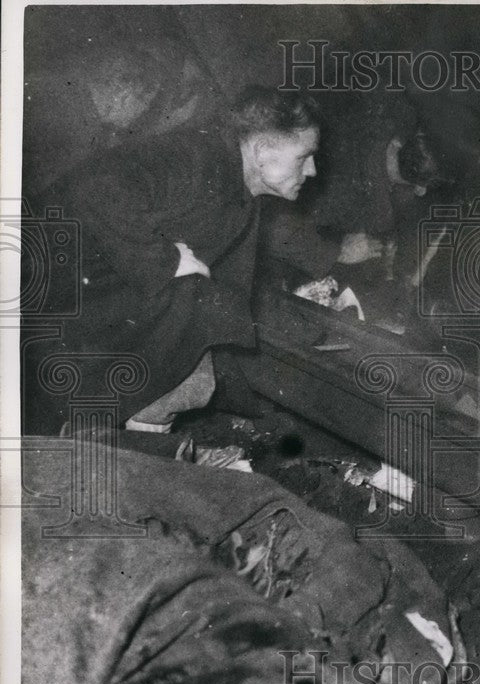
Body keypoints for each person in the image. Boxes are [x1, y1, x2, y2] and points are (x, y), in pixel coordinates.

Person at [27, 86, 322, 433]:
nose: (313, 169)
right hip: (46, 289)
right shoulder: (196, 155)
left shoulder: (242, 197)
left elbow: (231, 294)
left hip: (89, 301)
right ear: (262, 151)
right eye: (304, 156)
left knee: (196, 379)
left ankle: (143, 430)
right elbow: (95, 188)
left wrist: (308, 333)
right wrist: (166, 261)